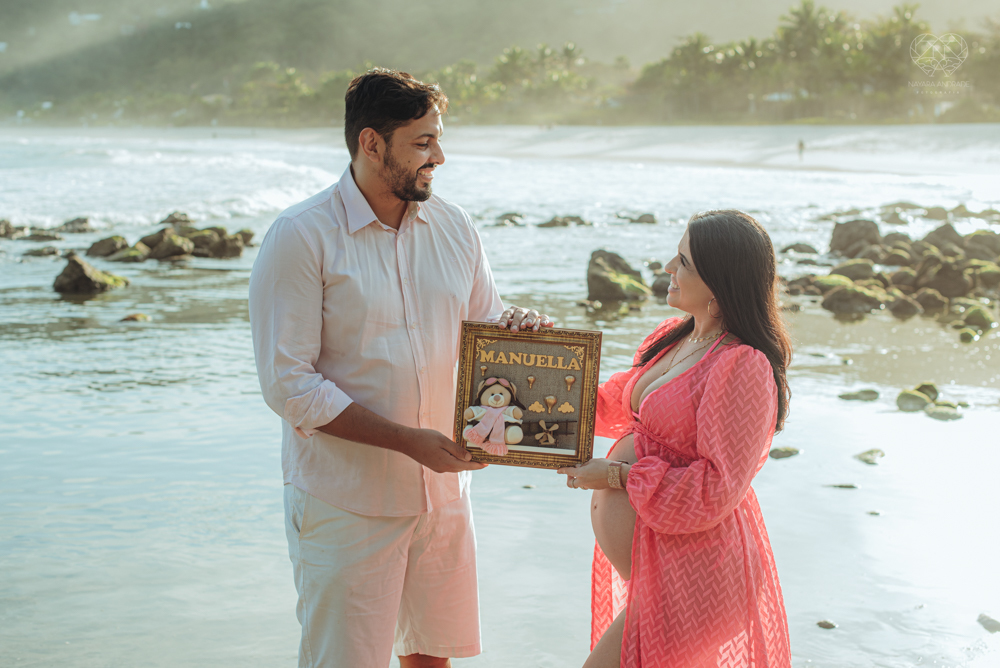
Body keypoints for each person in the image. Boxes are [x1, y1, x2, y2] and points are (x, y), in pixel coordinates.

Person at [248, 68, 551, 668]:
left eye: (437, 139)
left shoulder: (455, 227)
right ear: (371, 143)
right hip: (346, 502)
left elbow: (483, 335)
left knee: (433, 658)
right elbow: (289, 387)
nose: (439, 156)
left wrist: (517, 331)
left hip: (444, 495)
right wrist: (408, 442)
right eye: (422, 142)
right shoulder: (300, 236)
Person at [558, 210, 792, 667]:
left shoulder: (742, 365)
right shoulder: (675, 337)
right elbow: (605, 405)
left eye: (683, 261)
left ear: (719, 283)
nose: (668, 267)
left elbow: (718, 487)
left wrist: (616, 476)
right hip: (664, 575)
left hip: (701, 577)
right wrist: (532, 358)